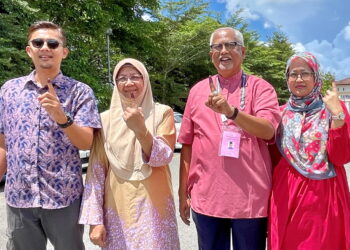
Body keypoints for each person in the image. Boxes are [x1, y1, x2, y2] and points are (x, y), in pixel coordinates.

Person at [0, 21, 101, 250]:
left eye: (52, 43)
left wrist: (60, 116)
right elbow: (3, 144)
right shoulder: (8, 90)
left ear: (63, 52)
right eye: (38, 42)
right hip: (19, 196)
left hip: (63, 196)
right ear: (29, 50)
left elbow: (87, 142)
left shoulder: (80, 91)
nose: (45, 47)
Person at [177, 27, 281, 250]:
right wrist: (182, 191)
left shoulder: (260, 88)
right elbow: (187, 144)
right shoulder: (197, 90)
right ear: (211, 54)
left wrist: (232, 112)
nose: (223, 51)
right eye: (217, 47)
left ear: (243, 52)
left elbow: (268, 131)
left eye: (230, 45)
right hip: (206, 197)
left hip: (250, 200)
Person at [79, 58, 180, 249]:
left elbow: (164, 157)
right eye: (122, 78)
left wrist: (141, 130)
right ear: (115, 84)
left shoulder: (162, 113)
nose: (128, 83)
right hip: (117, 209)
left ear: (146, 81)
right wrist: (95, 221)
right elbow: (96, 172)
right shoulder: (104, 120)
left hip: (155, 209)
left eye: (135, 76)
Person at [268, 52, 350, 250]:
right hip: (286, 192)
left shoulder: (334, 109)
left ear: (315, 77)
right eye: (293, 74)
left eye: (305, 73)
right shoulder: (279, 112)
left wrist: (337, 116)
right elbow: (272, 159)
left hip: (324, 194)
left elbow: (341, 158)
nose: (298, 79)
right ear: (286, 79)